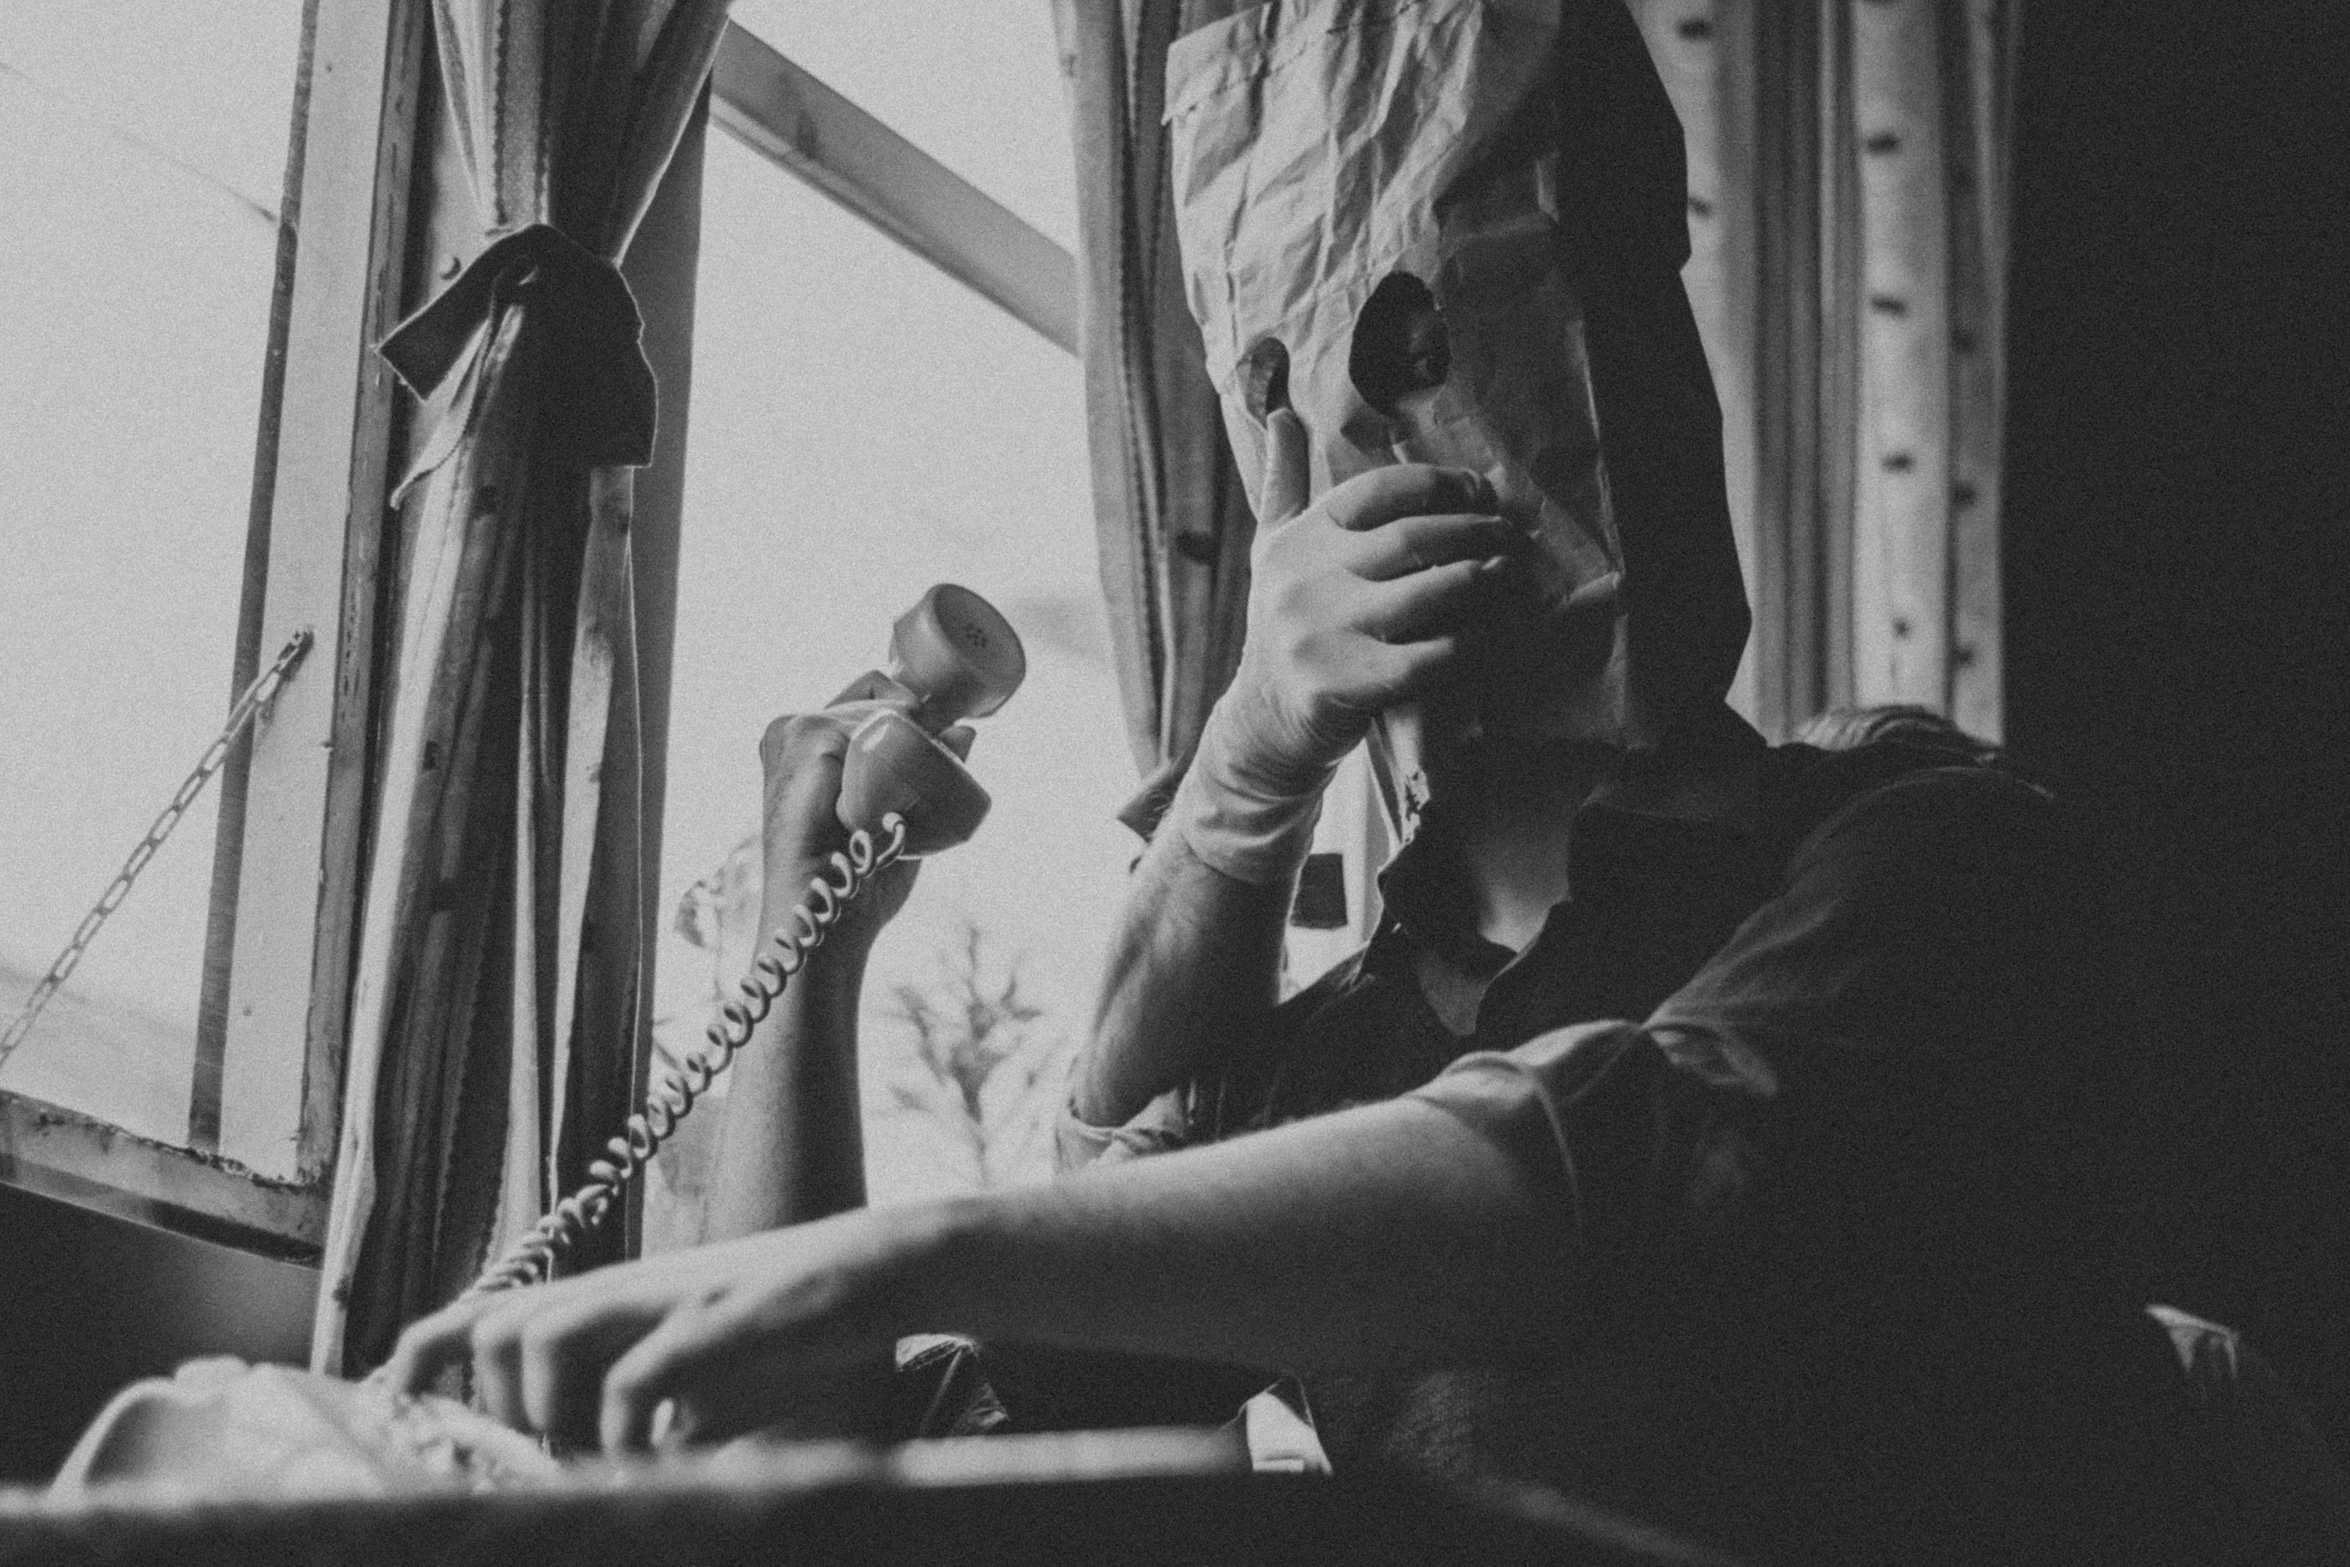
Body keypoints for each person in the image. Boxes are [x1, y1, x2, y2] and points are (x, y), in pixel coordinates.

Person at [380, 6, 2302, 1559]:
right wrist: (819, 934)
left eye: (1440, 346)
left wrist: (926, 1241)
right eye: (1317, 391)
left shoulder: (1934, 855)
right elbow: (818, 1476)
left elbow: (1622, 1157)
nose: (1393, 430)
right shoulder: (1320, 1058)